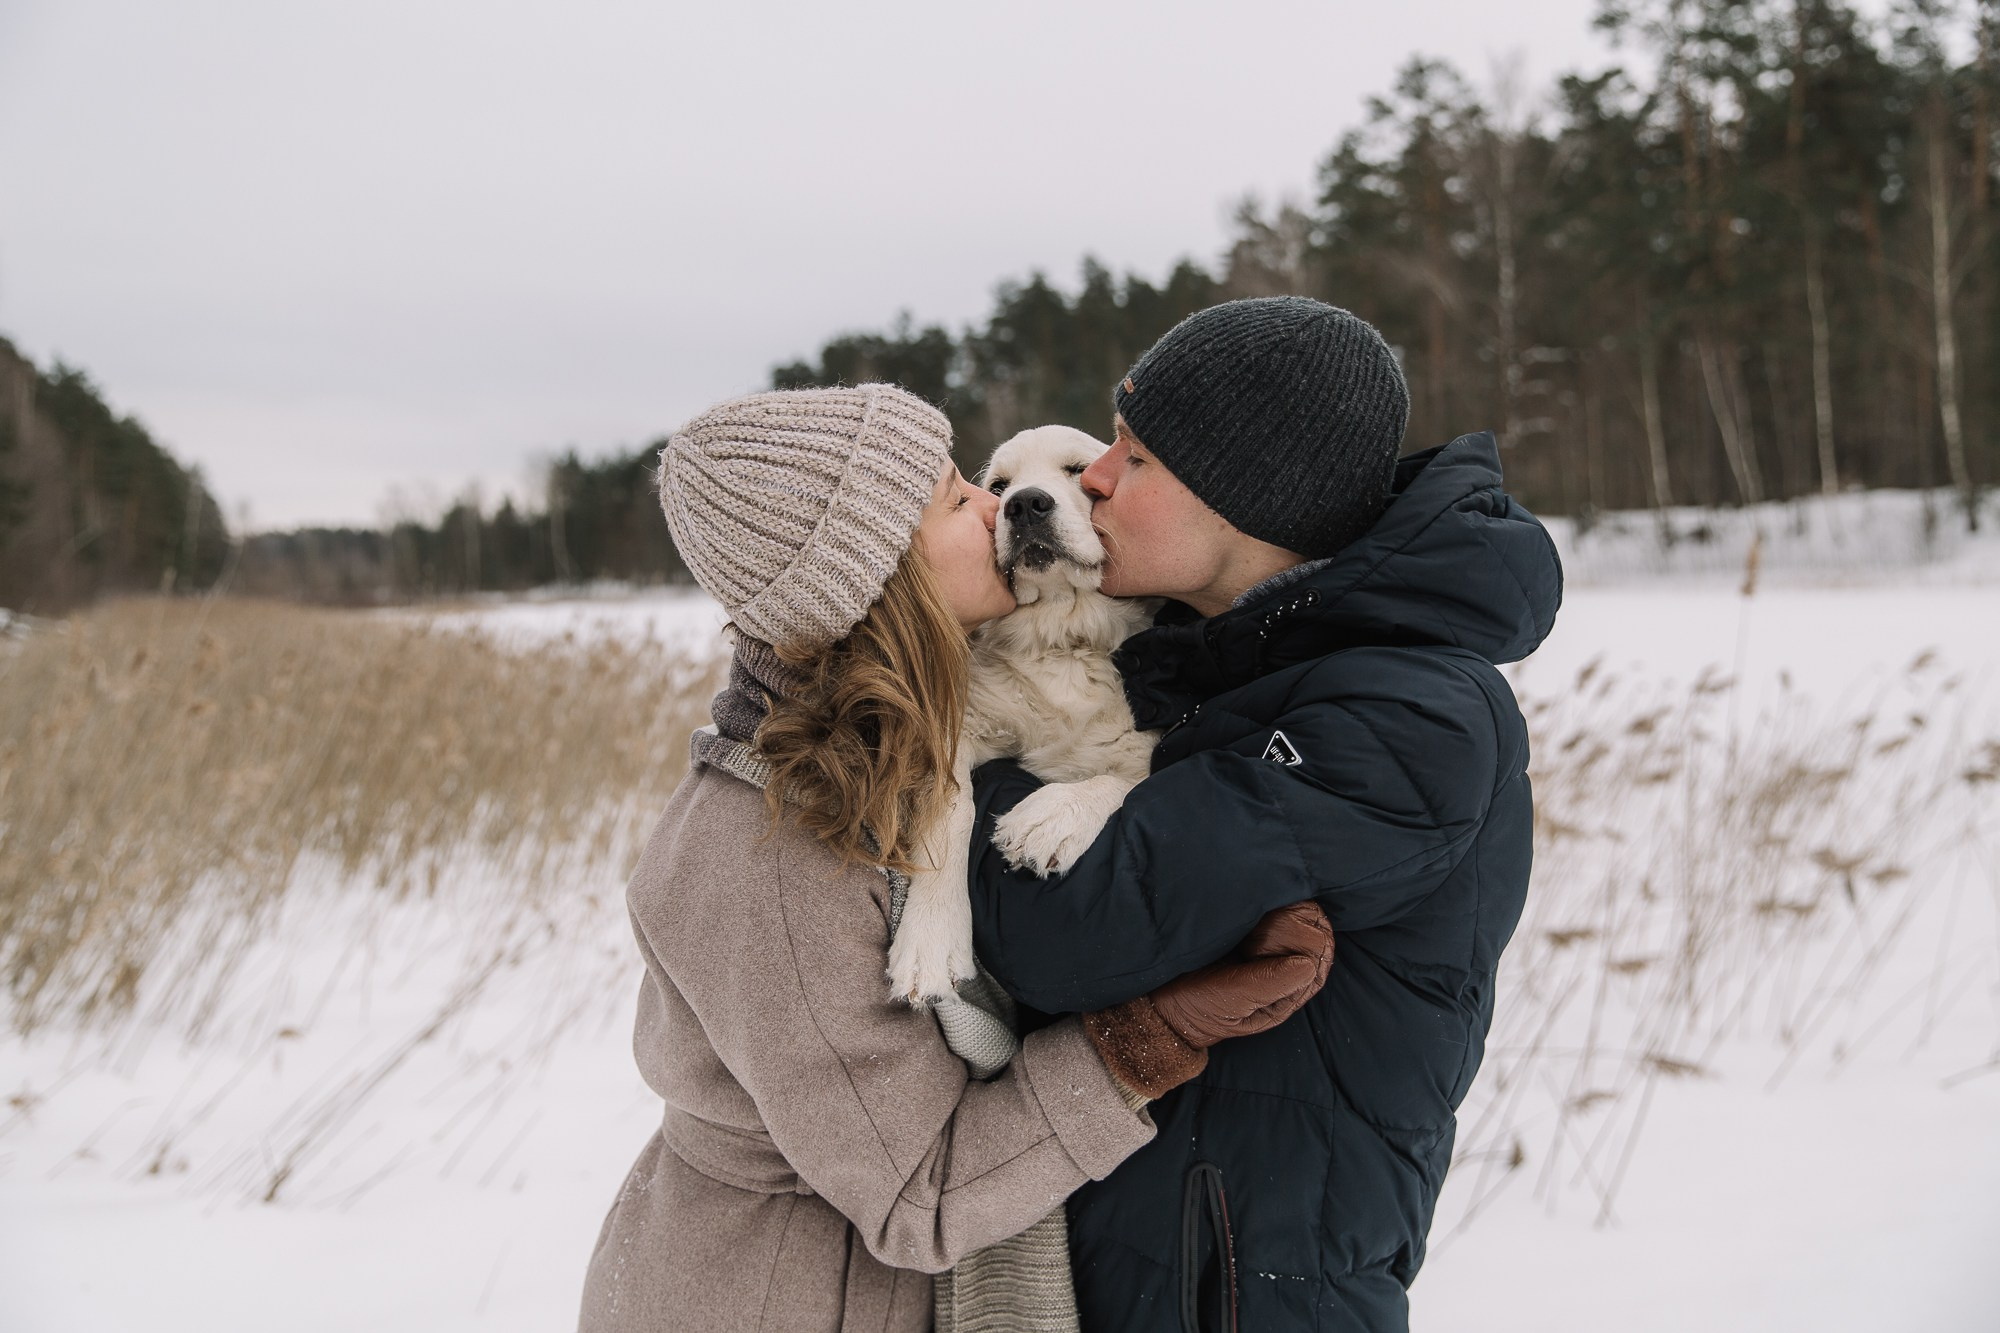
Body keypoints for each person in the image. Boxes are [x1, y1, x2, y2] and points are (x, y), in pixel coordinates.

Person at [577, 384, 1336, 1333]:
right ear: (876, 577)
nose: (994, 505)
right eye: (956, 496)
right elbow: (919, 1195)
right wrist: (1144, 1043)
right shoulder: (773, 852)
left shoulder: (899, 752)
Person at [967, 296, 1564, 1332]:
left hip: (1246, 1293)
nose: (1095, 479)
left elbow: (1068, 932)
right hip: (1119, 1270)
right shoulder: (1204, 665)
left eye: (1134, 457)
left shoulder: (1411, 714)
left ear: (1246, 498)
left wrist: (955, 766)